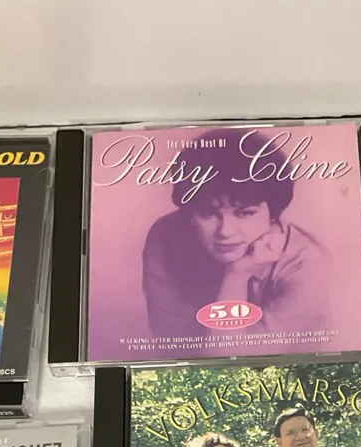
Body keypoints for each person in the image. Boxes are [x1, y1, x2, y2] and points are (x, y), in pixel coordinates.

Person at [141, 128, 333, 342]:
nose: (225, 231)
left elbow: (233, 352)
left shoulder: (304, 262)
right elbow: (174, 342)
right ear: (190, 214)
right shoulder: (166, 237)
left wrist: (236, 276)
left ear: (272, 213)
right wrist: (238, 274)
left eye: (245, 213)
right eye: (208, 213)